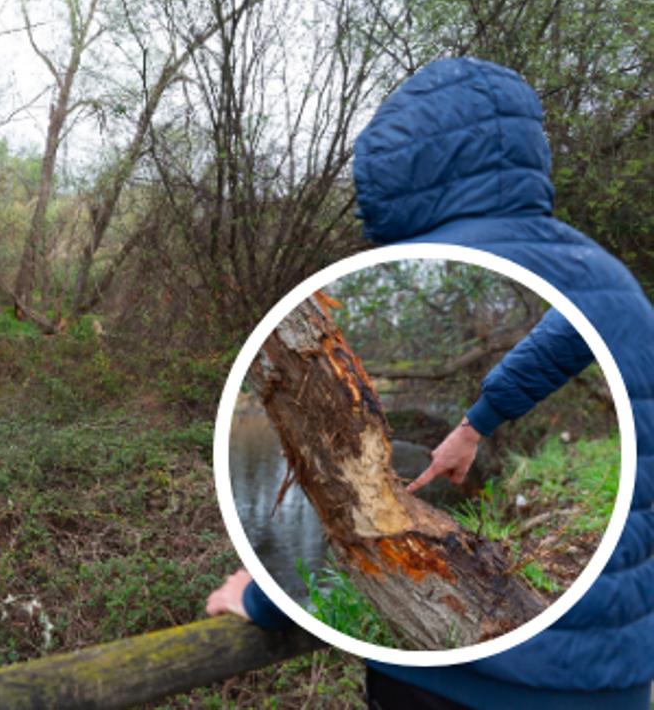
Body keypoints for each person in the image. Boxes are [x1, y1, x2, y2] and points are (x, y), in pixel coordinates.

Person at [207, 57, 654, 709]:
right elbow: (557, 347)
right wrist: (473, 426)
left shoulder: (411, 261)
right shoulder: (610, 280)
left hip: (438, 686)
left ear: (390, 179)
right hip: (609, 683)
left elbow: (346, 494)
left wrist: (258, 595)